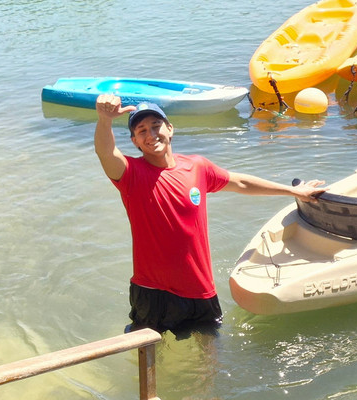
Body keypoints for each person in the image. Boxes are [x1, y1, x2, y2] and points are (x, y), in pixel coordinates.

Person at [94, 94, 325, 336]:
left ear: (170, 129)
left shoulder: (197, 167)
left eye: (155, 126)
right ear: (135, 141)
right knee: (150, 357)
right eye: (141, 131)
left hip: (200, 288)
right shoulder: (131, 174)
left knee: (209, 361)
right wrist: (104, 120)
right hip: (152, 291)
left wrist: (293, 191)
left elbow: (241, 183)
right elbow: (106, 152)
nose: (151, 135)